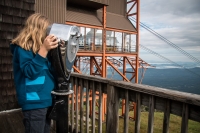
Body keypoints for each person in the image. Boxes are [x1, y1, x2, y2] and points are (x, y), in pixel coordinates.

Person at [10, 13, 58, 133]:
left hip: (47, 100)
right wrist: (44, 50)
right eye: (46, 30)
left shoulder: (43, 51)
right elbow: (30, 72)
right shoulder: (23, 48)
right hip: (34, 103)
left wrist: (58, 53)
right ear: (37, 30)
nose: (48, 34)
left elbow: (53, 73)